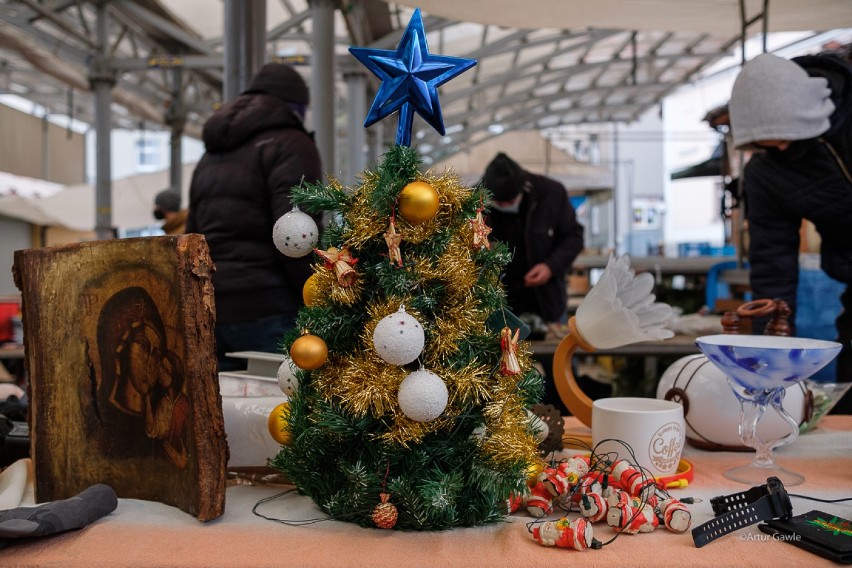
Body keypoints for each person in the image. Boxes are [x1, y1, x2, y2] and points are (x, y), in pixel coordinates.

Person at [728, 52, 852, 412]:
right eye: (765, 141)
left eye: (786, 135)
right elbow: (772, 267)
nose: (778, 147)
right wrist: (769, 360)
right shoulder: (766, 175)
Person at [186, 63, 322, 371]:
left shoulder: (210, 155)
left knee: (223, 412)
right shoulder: (292, 144)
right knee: (280, 411)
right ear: (296, 106)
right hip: (269, 306)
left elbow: (191, 233)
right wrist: (316, 298)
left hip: (213, 307)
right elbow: (296, 236)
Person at [482, 152, 585, 328]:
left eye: (510, 201)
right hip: (497, 303)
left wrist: (550, 267)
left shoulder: (551, 193)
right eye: (499, 203)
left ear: (522, 188)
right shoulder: (476, 201)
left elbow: (573, 237)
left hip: (546, 302)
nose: (505, 206)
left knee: (554, 352)